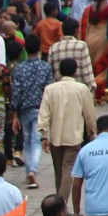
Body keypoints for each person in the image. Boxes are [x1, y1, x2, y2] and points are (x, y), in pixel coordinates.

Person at [40, 56, 97, 205]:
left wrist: (44, 135)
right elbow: (89, 113)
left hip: (55, 136)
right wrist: (92, 130)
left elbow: (44, 114)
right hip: (74, 135)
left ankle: (58, 202)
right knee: (68, 170)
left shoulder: (50, 89)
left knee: (59, 170)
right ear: (75, 72)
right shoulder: (81, 89)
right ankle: (61, 203)